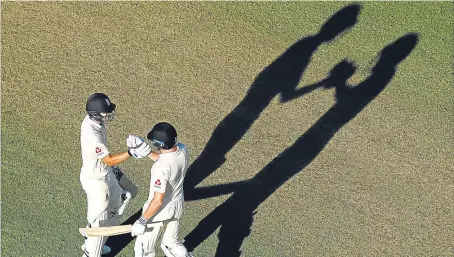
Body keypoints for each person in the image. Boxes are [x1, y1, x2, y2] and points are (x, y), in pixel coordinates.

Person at [80, 93, 150, 257]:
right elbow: (109, 160)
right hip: (96, 182)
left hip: (105, 173)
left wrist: (115, 173)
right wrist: (131, 153)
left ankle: (98, 240)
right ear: (95, 114)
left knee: (117, 205)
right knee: (100, 223)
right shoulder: (92, 135)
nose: (109, 114)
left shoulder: (96, 122)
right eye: (106, 112)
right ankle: (92, 248)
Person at [130, 122, 193, 257]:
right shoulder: (183, 149)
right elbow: (165, 159)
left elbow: (158, 200)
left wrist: (142, 220)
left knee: (143, 250)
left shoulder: (160, 168)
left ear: (159, 144)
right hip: (177, 205)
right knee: (171, 243)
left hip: (159, 211)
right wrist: (147, 151)